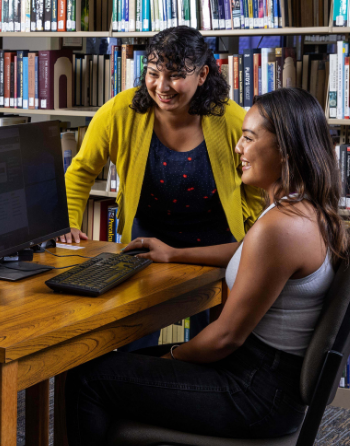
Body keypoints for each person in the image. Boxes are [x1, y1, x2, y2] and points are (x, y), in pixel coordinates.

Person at [64, 87, 350, 446]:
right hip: (268, 381)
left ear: (285, 149)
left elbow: (225, 337)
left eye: (249, 137)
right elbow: (247, 251)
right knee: (120, 365)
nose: (237, 148)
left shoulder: (281, 228)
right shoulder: (302, 209)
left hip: (254, 393)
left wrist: (173, 357)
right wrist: (174, 253)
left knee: (90, 378)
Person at [61, 26, 263, 347]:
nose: (162, 86)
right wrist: (69, 222)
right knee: (132, 342)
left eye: (175, 75)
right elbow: (81, 170)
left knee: (214, 345)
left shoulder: (233, 118)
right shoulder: (120, 111)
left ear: (202, 75)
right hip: (147, 241)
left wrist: (249, 232)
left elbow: (258, 185)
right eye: (153, 73)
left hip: (213, 247)